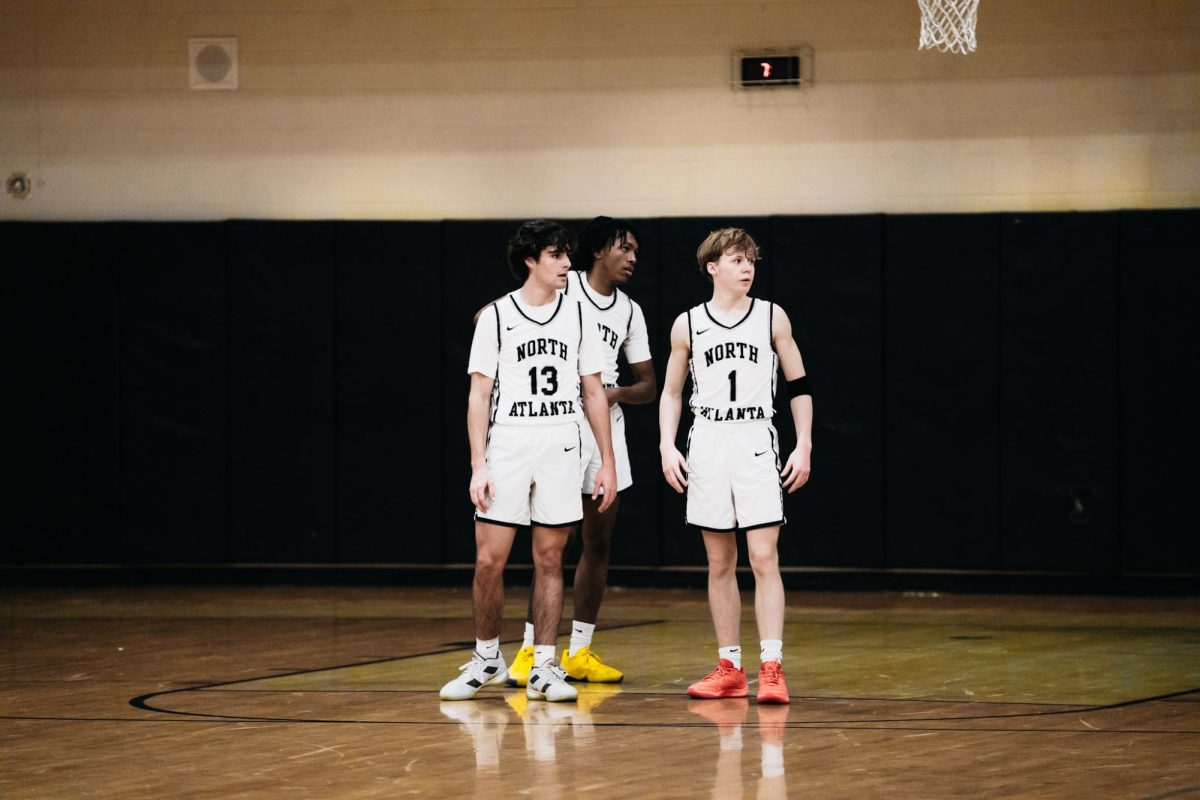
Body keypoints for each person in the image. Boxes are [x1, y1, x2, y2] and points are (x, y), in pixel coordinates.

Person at [440, 219, 618, 704]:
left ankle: (543, 664)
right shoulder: (497, 317)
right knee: (488, 560)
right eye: (557, 255)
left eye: (568, 255)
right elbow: (478, 395)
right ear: (530, 260)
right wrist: (479, 463)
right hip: (510, 445)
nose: (567, 264)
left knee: (550, 558)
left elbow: (594, 392)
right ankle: (486, 658)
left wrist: (607, 461)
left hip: (561, 445)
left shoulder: (580, 316)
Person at [658, 227, 812, 704]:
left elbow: (799, 385)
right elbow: (671, 392)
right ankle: (729, 667)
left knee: (764, 556)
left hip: (754, 440)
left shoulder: (771, 317)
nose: (747, 268)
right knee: (719, 560)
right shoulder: (687, 324)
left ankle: (771, 666)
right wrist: (667, 445)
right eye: (737, 260)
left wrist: (803, 443)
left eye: (751, 261)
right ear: (712, 267)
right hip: (707, 441)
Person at [505, 217, 656, 687]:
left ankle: (580, 652)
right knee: (552, 546)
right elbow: (501, 314)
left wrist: (614, 395)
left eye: (635, 250)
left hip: (605, 432)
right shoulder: (563, 292)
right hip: (559, 426)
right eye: (623, 248)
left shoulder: (629, 311)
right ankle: (531, 650)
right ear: (597, 251)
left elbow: (648, 385)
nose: (632, 257)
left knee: (598, 542)